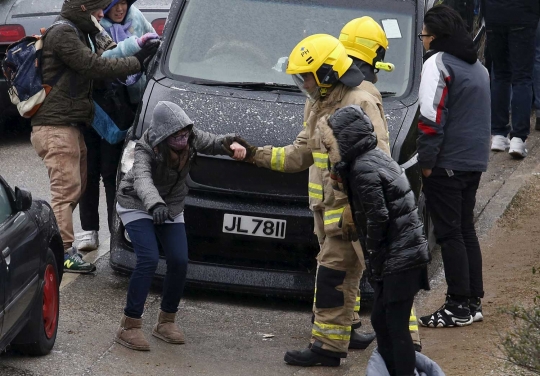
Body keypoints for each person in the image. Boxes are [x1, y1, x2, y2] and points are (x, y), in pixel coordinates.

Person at [242, 33, 388, 367]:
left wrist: (356, 209)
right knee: (340, 277)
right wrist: (252, 155)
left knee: (378, 277)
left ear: (326, 73)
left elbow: (376, 165)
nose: (302, 84)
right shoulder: (319, 102)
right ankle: (333, 345)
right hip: (331, 211)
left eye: (305, 77)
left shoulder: (360, 101)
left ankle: (397, 349)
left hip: (356, 212)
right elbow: (300, 155)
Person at [30, 0, 159, 273]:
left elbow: (111, 52)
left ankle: (59, 245)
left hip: (70, 124)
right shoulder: (63, 33)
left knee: (76, 187)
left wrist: (139, 47)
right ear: (83, 8)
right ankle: (63, 251)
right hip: (55, 126)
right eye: (99, 8)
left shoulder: (86, 30)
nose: (103, 13)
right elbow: (93, 66)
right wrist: (136, 62)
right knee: (65, 192)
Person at [114, 101, 248, 351]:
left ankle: (166, 321)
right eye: (176, 136)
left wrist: (233, 144)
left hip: (171, 205)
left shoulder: (192, 137)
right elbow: (142, 179)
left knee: (179, 260)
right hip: (137, 203)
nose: (183, 140)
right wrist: (154, 205)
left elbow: (215, 142)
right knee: (148, 259)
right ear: (164, 135)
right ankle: (129, 325)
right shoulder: (146, 148)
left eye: (185, 134)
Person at [319, 104, 430, 376]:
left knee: (394, 325)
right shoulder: (371, 159)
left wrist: (373, 255)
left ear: (344, 140)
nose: (326, 149)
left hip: (400, 260)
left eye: (329, 143)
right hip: (404, 256)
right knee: (383, 321)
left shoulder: (362, 168)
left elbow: (377, 217)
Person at [339, 16, 423, 353]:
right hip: (348, 205)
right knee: (347, 272)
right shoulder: (354, 91)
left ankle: (409, 345)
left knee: (386, 277)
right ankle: (348, 332)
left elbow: (378, 158)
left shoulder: (360, 96)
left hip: (358, 206)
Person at [416, 5, 490, 327]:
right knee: (465, 230)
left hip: (445, 163)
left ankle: (457, 305)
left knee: (449, 235)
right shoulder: (480, 69)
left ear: (434, 37)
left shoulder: (437, 63)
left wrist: (427, 163)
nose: (422, 40)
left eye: (423, 35)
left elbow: (431, 118)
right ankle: (473, 301)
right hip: (473, 162)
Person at [75, 0, 160, 251]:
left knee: (113, 174)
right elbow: (99, 61)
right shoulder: (94, 27)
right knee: (88, 172)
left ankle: (116, 230)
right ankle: (89, 229)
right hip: (92, 108)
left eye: (123, 2)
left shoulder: (137, 19)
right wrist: (135, 49)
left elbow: (156, 50)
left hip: (123, 109)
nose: (119, 9)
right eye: (114, 4)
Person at [486, 0, 539, 158]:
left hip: (493, 13)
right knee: (522, 76)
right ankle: (518, 137)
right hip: (523, 13)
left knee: (500, 73)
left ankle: (498, 134)